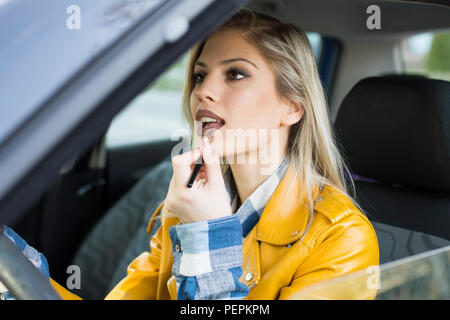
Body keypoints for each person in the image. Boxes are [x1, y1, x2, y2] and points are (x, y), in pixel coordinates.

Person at [2, 8, 379, 300]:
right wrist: (17, 269)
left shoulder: (342, 240)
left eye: (235, 74)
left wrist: (208, 235)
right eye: (200, 75)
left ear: (292, 108)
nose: (204, 91)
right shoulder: (185, 207)